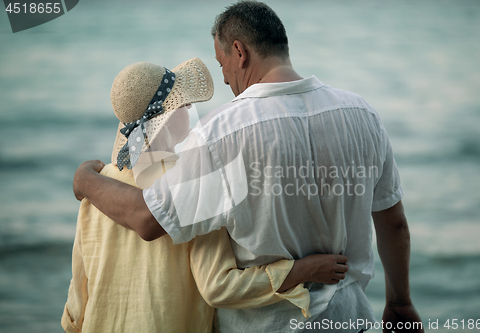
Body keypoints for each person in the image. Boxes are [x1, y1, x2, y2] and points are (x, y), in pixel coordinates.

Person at [72, 2, 424, 332]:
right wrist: (401, 302)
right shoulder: (362, 114)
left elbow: (149, 220)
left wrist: (86, 180)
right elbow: (394, 223)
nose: (224, 77)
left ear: (239, 52)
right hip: (349, 319)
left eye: (221, 62)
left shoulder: (220, 132)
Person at [63, 58, 349, 333]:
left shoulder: (98, 187)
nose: (190, 108)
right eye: (184, 103)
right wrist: (301, 270)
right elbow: (219, 287)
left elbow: (77, 303)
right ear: (167, 116)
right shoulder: (193, 183)